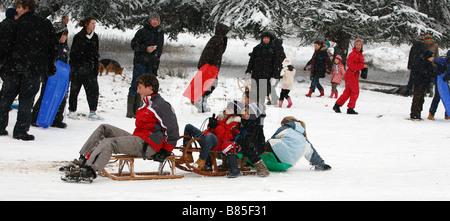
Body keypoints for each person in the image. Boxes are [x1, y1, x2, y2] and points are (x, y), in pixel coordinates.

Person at [61, 74, 179, 182]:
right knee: (104, 128)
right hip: (139, 139)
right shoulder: (146, 102)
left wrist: (166, 150)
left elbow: (173, 129)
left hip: (148, 145)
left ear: (150, 87)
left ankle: (90, 170)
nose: (137, 91)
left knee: (109, 143)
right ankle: (83, 161)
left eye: (140, 88)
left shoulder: (161, 105)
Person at [0, 0, 57, 141]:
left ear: (26, 8)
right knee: (27, 100)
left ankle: (0, 126)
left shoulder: (15, 25)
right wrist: (49, 65)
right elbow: (52, 47)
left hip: (14, 68)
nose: (16, 10)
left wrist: (3, 66)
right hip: (33, 69)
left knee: (5, 98)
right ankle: (21, 130)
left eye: (18, 7)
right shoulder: (45, 24)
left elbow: (5, 47)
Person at [183, 100, 244, 178]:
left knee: (209, 136)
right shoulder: (222, 119)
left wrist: (216, 126)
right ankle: (188, 155)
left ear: (235, 112)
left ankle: (202, 159)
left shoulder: (234, 123)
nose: (226, 111)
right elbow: (211, 130)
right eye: (227, 108)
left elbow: (225, 136)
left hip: (219, 143)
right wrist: (211, 124)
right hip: (208, 141)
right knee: (188, 127)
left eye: (229, 110)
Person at [31, 15, 70, 129]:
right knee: (45, 95)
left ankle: (57, 118)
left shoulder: (64, 46)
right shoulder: (52, 46)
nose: (65, 38)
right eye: (64, 35)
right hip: (51, 75)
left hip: (61, 76)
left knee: (61, 96)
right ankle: (36, 116)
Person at [127, 12, 164, 118]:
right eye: (153, 19)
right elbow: (134, 44)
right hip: (141, 62)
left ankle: (143, 108)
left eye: (157, 20)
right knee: (136, 84)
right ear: (149, 20)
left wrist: (156, 64)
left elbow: (159, 50)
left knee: (149, 87)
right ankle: (131, 111)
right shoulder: (142, 32)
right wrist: (145, 49)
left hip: (152, 63)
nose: (155, 22)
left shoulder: (160, 33)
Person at [68, 16, 102, 121]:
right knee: (75, 89)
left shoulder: (95, 37)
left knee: (93, 90)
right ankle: (72, 111)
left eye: (95, 23)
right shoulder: (78, 36)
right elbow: (73, 54)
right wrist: (74, 68)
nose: (94, 25)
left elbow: (96, 54)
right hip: (78, 68)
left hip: (90, 69)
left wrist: (95, 67)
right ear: (87, 24)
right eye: (92, 23)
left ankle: (92, 111)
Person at [265, 116, 331, 171]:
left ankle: (256, 159)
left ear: (285, 124)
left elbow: (272, 139)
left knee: (267, 143)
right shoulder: (304, 141)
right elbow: (313, 154)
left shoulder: (285, 128)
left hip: (275, 154)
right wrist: (321, 165)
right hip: (287, 163)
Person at [193, 23, 230, 112]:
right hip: (210, 66)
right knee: (211, 83)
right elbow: (209, 51)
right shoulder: (216, 39)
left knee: (211, 83)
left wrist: (225, 41)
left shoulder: (220, 39)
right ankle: (200, 99)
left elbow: (221, 52)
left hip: (213, 65)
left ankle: (203, 101)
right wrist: (209, 62)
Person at [238, 90, 269, 177]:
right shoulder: (256, 107)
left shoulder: (254, 106)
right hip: (254, 136)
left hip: (253, 138)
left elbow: (250, 122)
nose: (242, 100)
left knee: (245, 146)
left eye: (244, 98)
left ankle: (262, 168)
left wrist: (240, 118)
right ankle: (233, 162)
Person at [333, 39, 367, 114]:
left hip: (353, 74)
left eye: (360, 45)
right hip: (351, 74)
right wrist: (362, 66)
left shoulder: (359, 54)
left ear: (361, 46)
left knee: (348, 91)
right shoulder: (353, 54)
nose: (358, 46)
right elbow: (351, 65)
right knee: (355, 91)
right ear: (354, 45)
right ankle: (350, 108)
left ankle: (337, 105)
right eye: (357, 44)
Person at [245, 31, 278, 105]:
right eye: (265, 38)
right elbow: (251, 61)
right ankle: (254, 107)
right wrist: (248, 71)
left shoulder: (274, 50)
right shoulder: (257, 48)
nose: (266, 40)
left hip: (267, 75)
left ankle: (260, 108)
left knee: (262, 94)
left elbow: (276, 64)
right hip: (256, 73)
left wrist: (274, 76)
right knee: (254, 92)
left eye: (268, 38)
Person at [407, 39, 435, 120]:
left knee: (418, 97)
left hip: (418, 80)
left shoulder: (417, 57)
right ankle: (416, 113)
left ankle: (415, 113)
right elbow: (427, 71)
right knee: (419, 97)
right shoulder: (424, 60)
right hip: (422, 81)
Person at [0, 8, 19, 105]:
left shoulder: (2, 25)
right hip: (6, 60)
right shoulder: (12, 27)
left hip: (3, 58)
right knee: (8, 85)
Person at [428, 50, 450, 120]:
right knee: (437, 96)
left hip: (445, 82)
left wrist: (448, 77)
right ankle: (431, 113)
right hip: (438, 81)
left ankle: (448, 114)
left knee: (448, 97)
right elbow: (436, 60)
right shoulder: (443, 61)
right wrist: (442, 64)